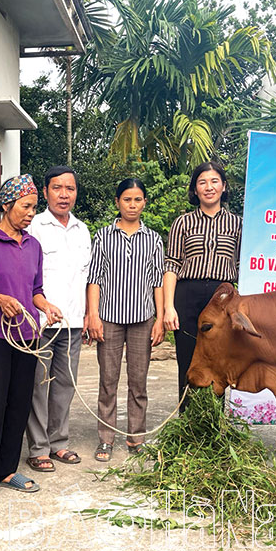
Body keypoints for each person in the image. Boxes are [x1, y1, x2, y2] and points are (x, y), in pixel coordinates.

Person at [0, 174, 63, 517]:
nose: (31, 213)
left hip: (27, 336)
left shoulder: (32, 245)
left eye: (34, 207)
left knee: (18, 405)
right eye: (26, 206)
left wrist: (45, 305)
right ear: (7, 205)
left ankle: (6, 470)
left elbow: (35, 288)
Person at [86, 179, 165, 462]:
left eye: (138, 200)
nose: (132, 205)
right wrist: (93, 315)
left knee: (138, 382)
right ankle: (106, 439)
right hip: (109, 319)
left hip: (143, 319)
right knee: (108, 381)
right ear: (118, 202)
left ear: (144, 202)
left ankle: (136, 438)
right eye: (127, 200)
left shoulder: (153, 239)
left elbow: (158, 281)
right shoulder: (103, 236)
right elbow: (94, 278)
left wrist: (159, 318)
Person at [25, 166, 91, 471]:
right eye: (57, 188)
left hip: (74, 322)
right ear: (46, 191)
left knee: (66, 384)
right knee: (39, 385)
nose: (64, 194)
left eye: (70, 188)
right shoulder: (35, 226)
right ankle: (38, 448)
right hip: (41, 323)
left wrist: (90, 314)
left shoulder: (82, 230)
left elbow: (87, 277)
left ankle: (59, 442)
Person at [163, 162, 242, 406]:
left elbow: (240, 265)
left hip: (221, 299)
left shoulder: (238, 224)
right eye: (202, 182)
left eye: (214, 181)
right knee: (188, 360)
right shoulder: (182, 223)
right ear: (195, 190)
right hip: (187, 295)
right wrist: (168, 307)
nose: (209, 187)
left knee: (218, 361)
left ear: (224, 186)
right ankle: (186, 426)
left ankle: (213, 427)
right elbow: (172, 265)